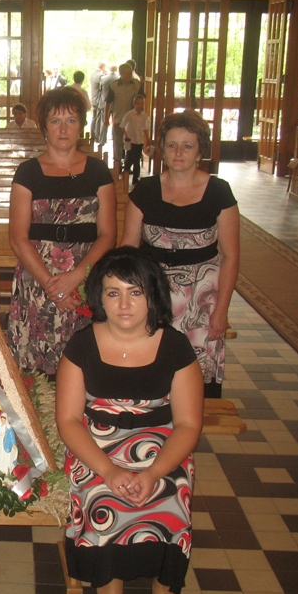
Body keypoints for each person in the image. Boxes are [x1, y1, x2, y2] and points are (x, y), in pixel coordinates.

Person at [56, 247, 203, 594]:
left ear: (153, 295)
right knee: (101, 495)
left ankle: (166, 586)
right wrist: (108, 470)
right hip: (96, 444)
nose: (124, 304)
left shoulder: (175, 347)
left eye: (135, 292)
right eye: (113, 293)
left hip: (162, 443)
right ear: (99, 298)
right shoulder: (81, 345)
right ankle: (109, 578)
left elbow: (188, 425)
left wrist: (153, 473)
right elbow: (68, 421)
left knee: (172, 494)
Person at [122, 110, 240, 399]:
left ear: (200, 151)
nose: (178, 153)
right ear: (162, 149)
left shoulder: (219, 192)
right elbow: (127, 250)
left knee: (194, 384)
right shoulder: (145, 190)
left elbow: (231, 256)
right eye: (172, 145)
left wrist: (221, 311)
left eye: (187, 146)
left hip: (201, 302)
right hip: (153, 296)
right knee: (150, 376)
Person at [7, 87, 116, 378]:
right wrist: (52, 286)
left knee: (83, 370)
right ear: (44, 128)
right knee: (36, 375)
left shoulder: (98, 171)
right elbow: (17, 238)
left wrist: (76, 276)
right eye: (55, 121)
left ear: (81, 125)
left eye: (71, 120)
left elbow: (107, 235)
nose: (64, 129)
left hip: (85, 278)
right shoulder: (28, 172)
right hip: (37, 280)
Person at [105, 63, 142, 170]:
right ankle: (117, 165)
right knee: (117, 143)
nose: (129, 75)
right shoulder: (114, 85)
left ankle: (128, 165)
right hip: (118, 119)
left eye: (130, 73)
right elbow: (108, 102)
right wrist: (106, 118)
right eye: (127, 73)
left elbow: (141, 100)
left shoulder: (137, 85)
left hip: (133, 121)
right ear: (120, 73)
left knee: (131, 143)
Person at [120, 93, 151, 185]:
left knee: (137, 160)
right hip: (131, 141)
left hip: (139, 141)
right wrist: (126, 135)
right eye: (138, 103)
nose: (140, 105)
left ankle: (135, 178)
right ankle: (125, 177)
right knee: (129, 159)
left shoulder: (144, 116)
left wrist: (147, 139)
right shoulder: (129, 114)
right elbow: (122, 125)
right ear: (134, 104)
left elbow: (145, 129)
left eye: (142, 103)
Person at [90, 62, 107, 147]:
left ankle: (92, 135)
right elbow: (102, 88)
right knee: (98, 119)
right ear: (103, 67)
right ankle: (97, 137)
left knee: (94, 118)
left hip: (93, 98)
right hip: (98, 99)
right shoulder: (101, 76)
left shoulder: (93, 74)